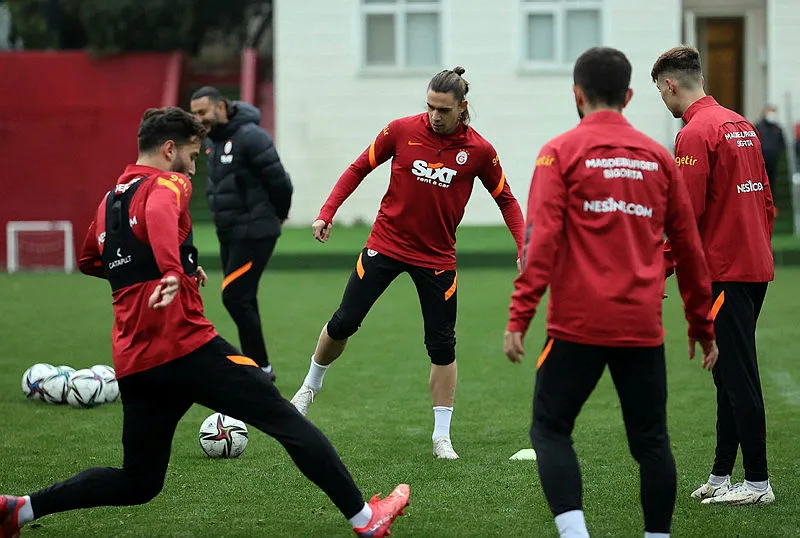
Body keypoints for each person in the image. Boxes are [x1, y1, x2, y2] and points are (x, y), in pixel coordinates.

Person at [0, 107, 409, 538]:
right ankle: (366, 520)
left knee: (139, 481)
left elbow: (89, 259)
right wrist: (170, 270)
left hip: (137, 361)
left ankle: (20, 510)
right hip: (187, 347)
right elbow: (160, 214)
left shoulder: (108, 203)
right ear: (169, 149)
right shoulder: (168, 183)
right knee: (285, 419)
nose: (194, 169)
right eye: (192, 156)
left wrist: (158, 269)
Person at [504, 47, 718, 538]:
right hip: (640, 326)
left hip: (576, 325)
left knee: (550, 429)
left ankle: (575, 533)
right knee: (651, 440)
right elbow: (689, 250)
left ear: (577, 94)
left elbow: (540, 242)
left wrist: (519, 317)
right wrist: (702, 327)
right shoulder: (659, 158)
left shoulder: (557, 152)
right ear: (629, 95)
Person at [289, 67, 526, 460]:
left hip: (436, 258)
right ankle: (309, 388)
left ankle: (441, 437)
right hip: (386, 244)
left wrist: (523, 246)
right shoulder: (400, 130)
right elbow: (359, 168)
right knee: (345, 320)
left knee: (442, 344)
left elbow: (507, 199)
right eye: (430, 106)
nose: (435, 115)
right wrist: (327, 212)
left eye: (443, 109)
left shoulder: (480, 151)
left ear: (462, 107)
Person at [652, 45, 776, 506]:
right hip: (753, 268)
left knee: (738, 377)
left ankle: (758, 483)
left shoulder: (694, 133)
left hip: (726, 273)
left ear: (670, 85)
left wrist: (659, 270)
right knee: (727, 375)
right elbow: (766, 202)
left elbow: (684, 217)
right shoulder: (742, 124)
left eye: (660, 92)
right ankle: (722, 475)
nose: (664, 100)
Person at [190, 86, 292, 382]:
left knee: (235, 296)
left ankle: (260, 368)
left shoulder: (252, 136)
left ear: (221, 107)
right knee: (243, 298)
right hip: (229, 233)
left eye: (203, 112)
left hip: (255, 232)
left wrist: (278, 216)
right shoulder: (213, 141)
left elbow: (281, 183)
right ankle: (260, 368)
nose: (198, 119)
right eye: (194, 114)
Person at [754, 104, 787, 190]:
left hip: (774, 159)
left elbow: (782, 143)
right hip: (761, 159)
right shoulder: (759, 126)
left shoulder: (777, 128)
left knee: (772, 181)